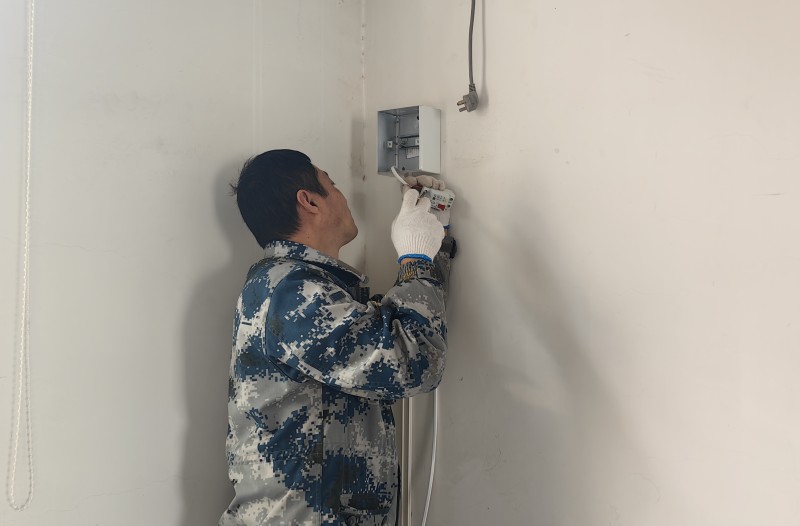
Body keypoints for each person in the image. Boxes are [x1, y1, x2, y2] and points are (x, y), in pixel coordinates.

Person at [219, 149, 456, 526]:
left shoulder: (303, 287)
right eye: (331, 184)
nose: (342, 196)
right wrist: (414, 258)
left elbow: (390, 338)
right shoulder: (293, 292)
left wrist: (432, 240)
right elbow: (414, 363)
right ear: (309, 201)